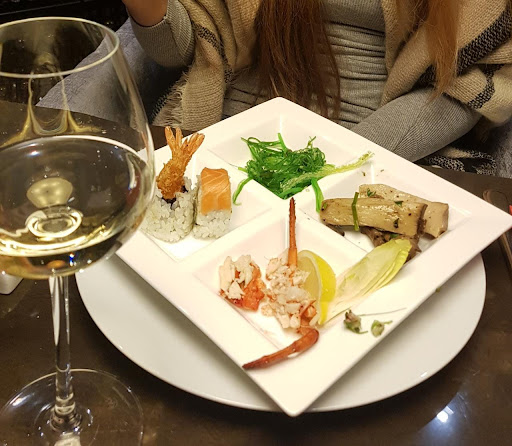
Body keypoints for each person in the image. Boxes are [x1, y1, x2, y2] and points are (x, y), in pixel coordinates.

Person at [121, 0, 512, 174]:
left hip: (378, 148)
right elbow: (185, 48)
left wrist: (333, 162)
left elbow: (468, 84)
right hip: (230, 134)